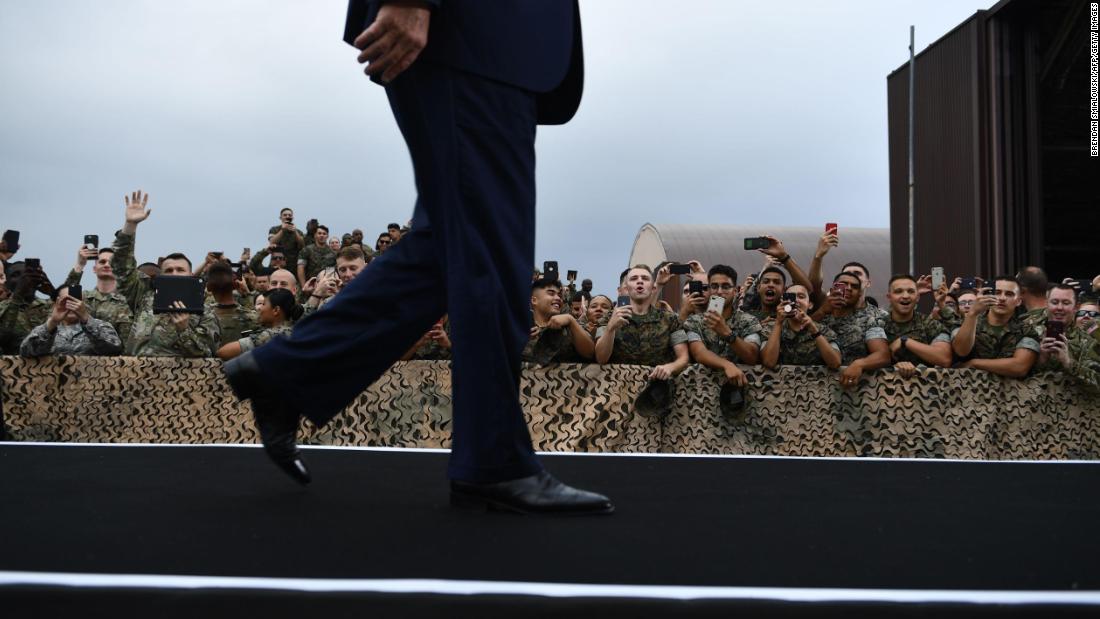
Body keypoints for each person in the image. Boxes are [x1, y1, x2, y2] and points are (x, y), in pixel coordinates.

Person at [222, 1, 611, 514]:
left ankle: (286, 372)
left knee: (448, 250)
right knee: (490, 257)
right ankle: (492, 461)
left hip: (482, 43)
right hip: (468, 31)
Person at [112, 191, 221, 357]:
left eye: (180, 270)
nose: (174, 274)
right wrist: (130, 226)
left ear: (192, 275)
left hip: (178, 380)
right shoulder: (145, 295)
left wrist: (184, 329)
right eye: (169, 271)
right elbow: (121, 267)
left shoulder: (204, 310)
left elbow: (207, 354)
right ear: (161, 276)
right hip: (135, 377)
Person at [595, 265, 691, 379]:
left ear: (653, 288)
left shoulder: (670, 319)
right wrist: (610, 328)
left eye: (645, 278)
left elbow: (684, 358)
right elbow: (601, 358)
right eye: (634, 278)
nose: (639, 281)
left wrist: (670, 367)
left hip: (657, 386)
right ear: (626, 288)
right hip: (619, 387)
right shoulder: (609, 318)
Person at [684, 265, 762, 386]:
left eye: (725, 287)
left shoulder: (749, 321)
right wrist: (726, 364)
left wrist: (727, 333)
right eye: (714, 286)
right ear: (709, 290)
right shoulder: (695, 321)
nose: (719, 291)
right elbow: (698, 353)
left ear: (735, 291)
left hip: (740, 388)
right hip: (703, 391)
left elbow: (752, 356)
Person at [951, 276, 1038, 378]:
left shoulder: (1026, 330)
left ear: (1018, 301)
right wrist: (973, 313)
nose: (1002, 298)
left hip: (1010, 392)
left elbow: (1019, 367)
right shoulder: (968, 321)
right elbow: (961, 351)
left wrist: (974, 363)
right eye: (997, 292)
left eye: (1009, 294)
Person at [818, 271, 891, 388]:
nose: (849, 288)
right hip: (815, 390)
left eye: (854, 287)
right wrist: (821, 311)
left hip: (856, 390)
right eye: (843, 284)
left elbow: (883, 355)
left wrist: (859, 364)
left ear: (859, 295)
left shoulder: (869, 319)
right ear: (832, 291)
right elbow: (799, 333)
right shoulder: (819, 317)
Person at [61, 246, 134, 346]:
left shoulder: (128, 301)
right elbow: (64, 295)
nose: (107, 265)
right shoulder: (83, 298)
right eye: (102, 262)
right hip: (80, 355)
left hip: (115, 357)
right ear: (94, 269)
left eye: (111, 262)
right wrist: (80, 265)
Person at [883, 274, 952, 378]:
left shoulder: (928, 323)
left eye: (911, 291)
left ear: (917, 297)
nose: (905, 296)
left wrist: (905, 341)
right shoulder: (878, 324)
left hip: (923, 389)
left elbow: (944, 358)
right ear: (889, 297)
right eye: (898, 291)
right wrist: (894, 366)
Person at [20, 287, 122, 357]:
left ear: (84, 304)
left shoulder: (100, 326)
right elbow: (26, 352)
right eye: (66, 301)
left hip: (91, 384)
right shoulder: (47, 328)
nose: (70, 305)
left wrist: (86, 319)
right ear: (55, 304)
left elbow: (114, 349)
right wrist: (53, 322)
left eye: (76, 301)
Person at [760, 284, 841, 369]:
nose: (795, 301)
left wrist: (814, 331)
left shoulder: (823, 330)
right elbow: (768, 362)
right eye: (790, 297)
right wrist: (778, 322)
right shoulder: (771, 327)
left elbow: (835, 363)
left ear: (810, 305)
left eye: (801, 296)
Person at [523, 278, 593, 364]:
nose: (558, 298)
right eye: (551, 293)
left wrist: (571, 321)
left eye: (559, 295)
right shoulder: (518, 327)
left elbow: (590, 353)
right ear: (534, 300)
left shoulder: (570, 325)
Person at [217, 288, 300, 360]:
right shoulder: (297, 329)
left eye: (264, 304)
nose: (260, 308)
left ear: (276, 310)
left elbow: (223, 352)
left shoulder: (274, 335)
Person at [0, 261, 54, 355]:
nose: (24, 278)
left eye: (28, 274)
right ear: (7, 283)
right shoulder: (2, 307)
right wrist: (17, 295)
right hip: (14, 367)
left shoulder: (49, 306)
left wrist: (53, 292)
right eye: (15, 275)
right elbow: (2, 337)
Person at [206, 262, 260, 349]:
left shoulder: (201, 319)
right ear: (236, 285)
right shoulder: (253, 318)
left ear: (208, 287)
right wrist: (247, 295)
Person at [268, 208, 305, 272]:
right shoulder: (274, 229)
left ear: (292, 218)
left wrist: (295, 231)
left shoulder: (299, 232)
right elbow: (272, 242)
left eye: (289, 215)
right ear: (280, 217)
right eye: (285, 215)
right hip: (277, 263)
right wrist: (282, 230)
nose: (287, 216)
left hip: (293, 265)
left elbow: (302, 244)